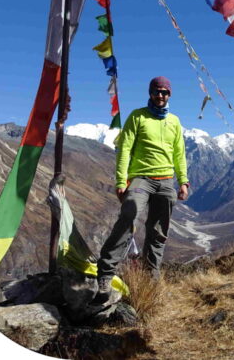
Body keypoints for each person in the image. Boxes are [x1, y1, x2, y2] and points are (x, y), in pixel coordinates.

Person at [95, 76, 189, 302]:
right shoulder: (137, 117)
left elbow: (179, 154)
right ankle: (105, 273)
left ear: (170, 95)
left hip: (166, 181)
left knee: (158, 232)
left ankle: (151, 280)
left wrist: (183, 181)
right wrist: (121, 181)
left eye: (165, 92)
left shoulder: (175, 121)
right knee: (129, 212)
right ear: (150, 92)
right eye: (157, 91)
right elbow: (124, 149)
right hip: (141, 179)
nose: (160, 96)